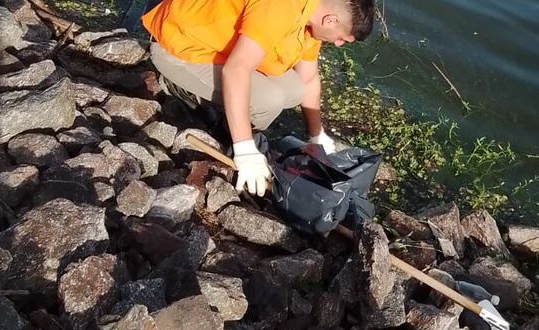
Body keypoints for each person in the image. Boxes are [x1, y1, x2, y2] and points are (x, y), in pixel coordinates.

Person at [141, 0, 376, 196]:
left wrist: (317, 136)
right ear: (331, 20)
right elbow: (236, 70)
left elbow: (309, 80)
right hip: (178, 47)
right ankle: (180, 89)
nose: (337, 44)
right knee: (268, 101)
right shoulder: (280, 7)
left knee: (294, 90)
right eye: (342, 39)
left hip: (222, 52)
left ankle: (231, 117)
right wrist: (245, 149)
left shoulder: (311, 16)